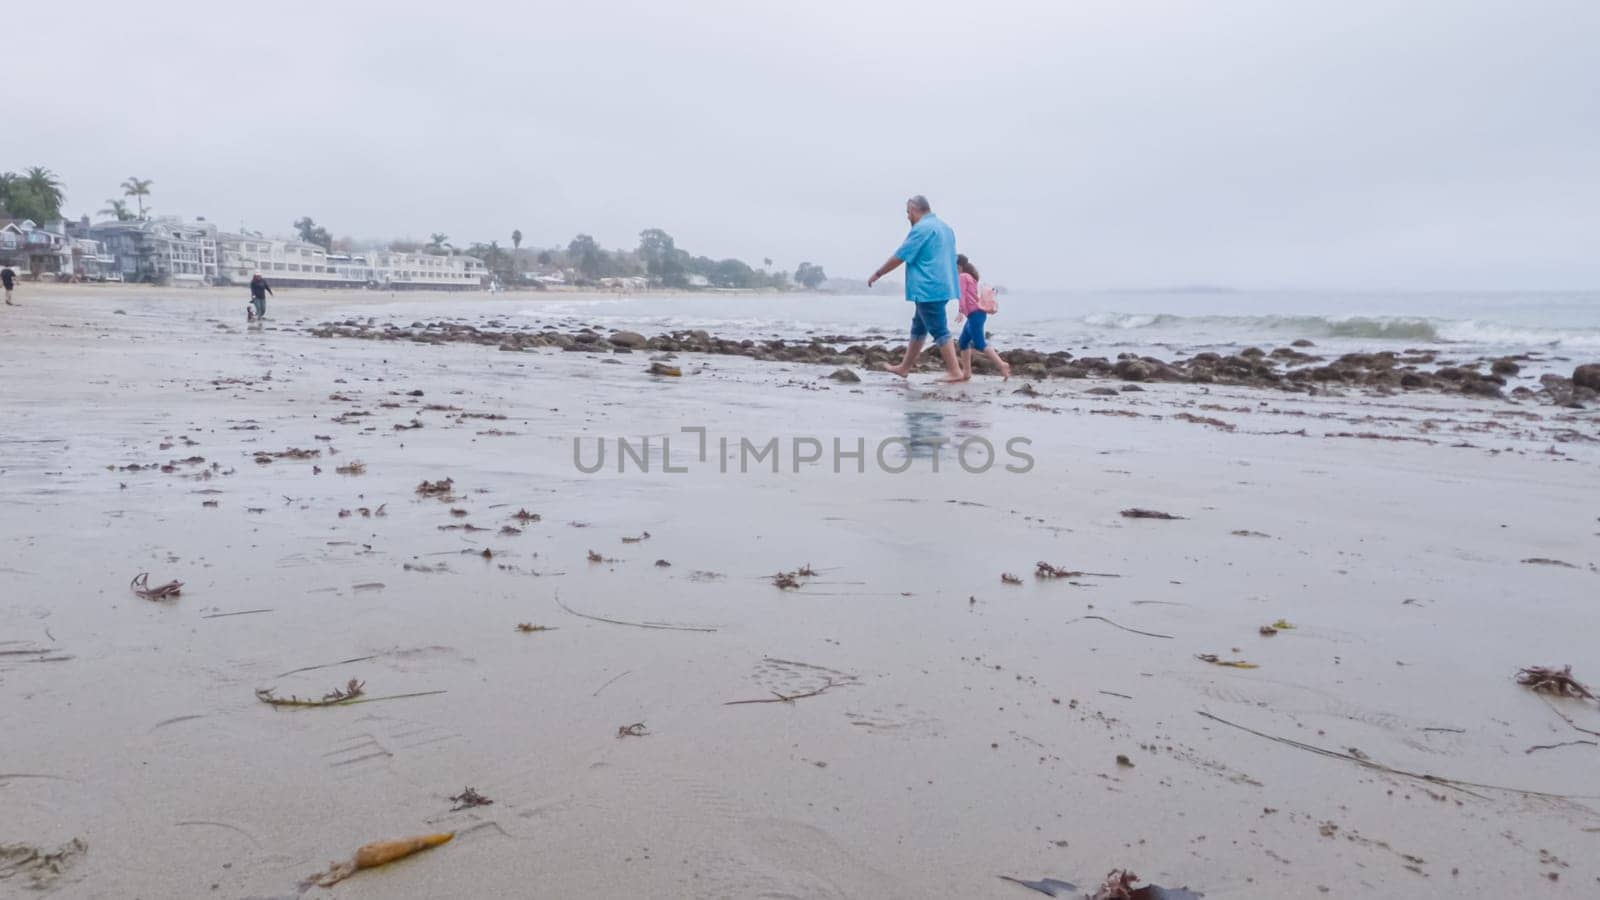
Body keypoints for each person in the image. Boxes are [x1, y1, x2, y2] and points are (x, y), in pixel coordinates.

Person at [867, 195, 965, 382]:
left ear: (913, 209)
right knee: (919, 326)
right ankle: (904, 367)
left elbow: (901, 255)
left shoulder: (921, 229)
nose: (907, 216)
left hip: (928, 288)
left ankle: (955, 371)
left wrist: (878, 273)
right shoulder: (945, 228)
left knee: (939, 330)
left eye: (907, 212)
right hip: (944, 285)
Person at [954, 254, 1010, 380]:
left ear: (958, 266)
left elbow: (961, 295)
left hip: (975, 315)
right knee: (963, 342)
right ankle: (967, 373)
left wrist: (960, 311)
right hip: (975, 315)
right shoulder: (970, 277)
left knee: (979, 344)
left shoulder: (962, 276)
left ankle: (1002, 365)